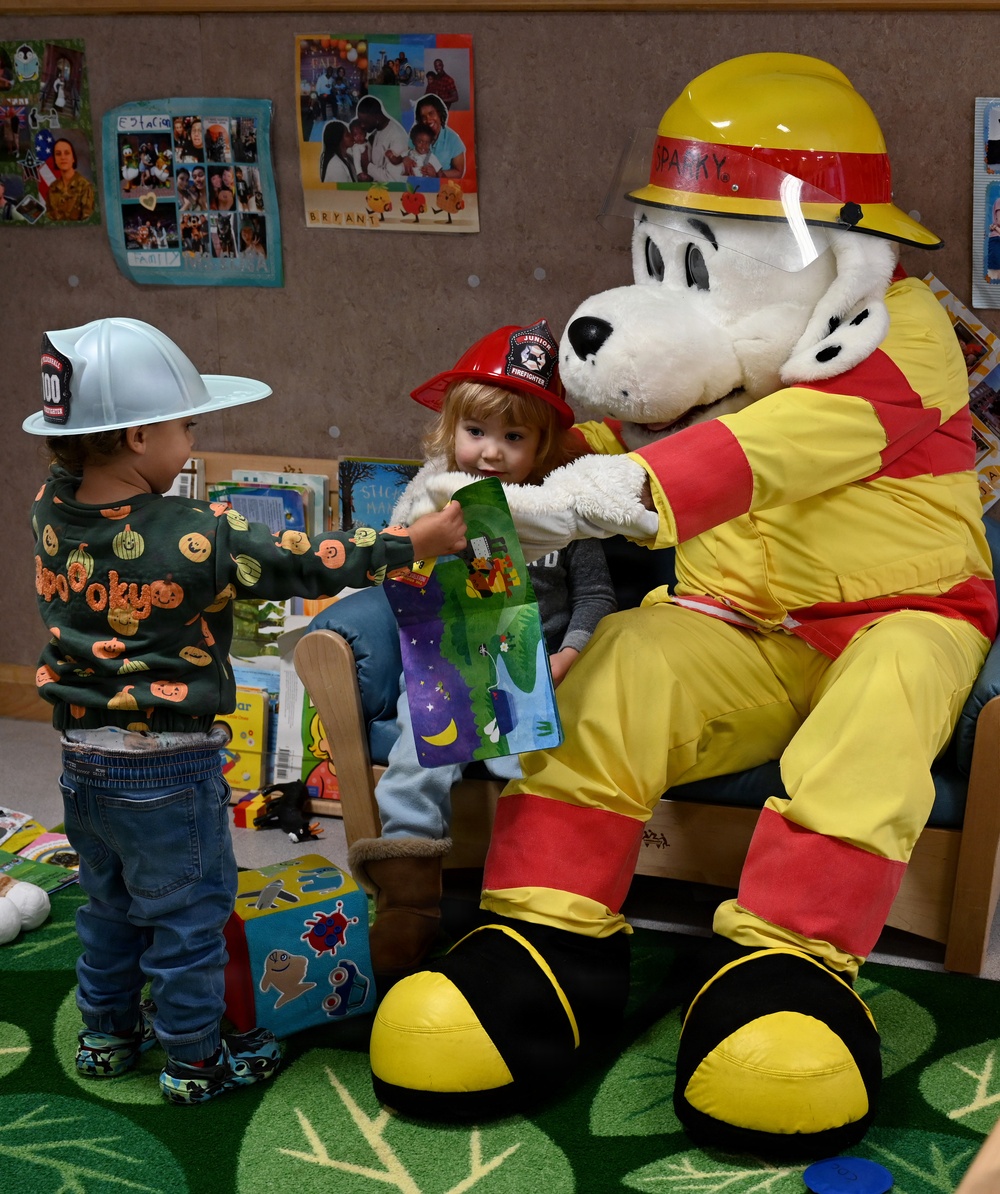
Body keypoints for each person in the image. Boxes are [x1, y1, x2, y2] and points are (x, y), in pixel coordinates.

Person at [23, 316, 466, 1106]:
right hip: (169, 764)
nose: (191, 444)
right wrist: (416, 541)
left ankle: (106, 1035)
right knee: (189, 918)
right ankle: (194, 1060)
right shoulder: (200, 534)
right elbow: (308, 558)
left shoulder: (50, 506)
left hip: (82, 762)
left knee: (111, 903)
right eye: (186, 426)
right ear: (134, 438)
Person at [310, 320, 615, 981]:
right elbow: (400, 582)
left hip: (534, 674)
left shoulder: (561, 512)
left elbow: (595, 600)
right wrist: (415, 553)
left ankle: (526, 895)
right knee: (419, 749)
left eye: (515, 438)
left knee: (533, 762)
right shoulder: (433, 506)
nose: (493, 453)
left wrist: (566, 658)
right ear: (451, 432)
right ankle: (410, 898)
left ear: (542, 446)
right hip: (448, 666)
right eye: (478, 433)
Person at [408, 94, 464, 179]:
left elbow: (459, 172)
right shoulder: (415, 136)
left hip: (440, 188)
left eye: (431, 113)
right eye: (423, 117)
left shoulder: (453, 140)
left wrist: (437, 174)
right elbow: (407, 156)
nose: (428, 120)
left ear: (439, 114)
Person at [355, 95, 408, 182]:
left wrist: (367, 165)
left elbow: (393, 179)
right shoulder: (377, 131)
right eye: (360, 121)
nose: (362, 125)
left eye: (365, 122)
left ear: (377, 117)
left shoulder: (397, 137)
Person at [46, 138, 95, 222]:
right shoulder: (52, 188)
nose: (63, 157)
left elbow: (88, 221)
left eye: (67, 153)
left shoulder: (85, 187)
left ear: (73, 158)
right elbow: (49, 219)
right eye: (58, 154)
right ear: (55, 160)